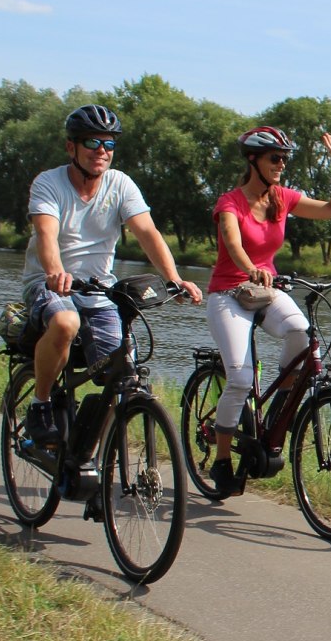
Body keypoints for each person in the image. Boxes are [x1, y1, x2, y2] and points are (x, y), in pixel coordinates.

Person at [21, 104, 203, 448]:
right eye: (92, 143)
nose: (101, 151)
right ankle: (40, 404)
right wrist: (55, 272)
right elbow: (46, 235)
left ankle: (89, 455)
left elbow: (147, 232)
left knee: (119, 372)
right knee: (64, 323)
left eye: (109, 144)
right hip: (49, 283)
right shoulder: (49, 183)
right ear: (71, 147)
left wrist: (175, 278)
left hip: (97, 289)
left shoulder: (120, 184)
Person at [204, 125, 331, 494]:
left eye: (284, 159)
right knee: (239, 379)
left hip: (266, 289)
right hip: (228, 292)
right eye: (275, 158)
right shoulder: (230, 202)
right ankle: (222, 459)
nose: (281, 165)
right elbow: (233, 243)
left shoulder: (282, 198)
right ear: (253, 160)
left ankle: (279, 402)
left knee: (304, 339)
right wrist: (248, 265)